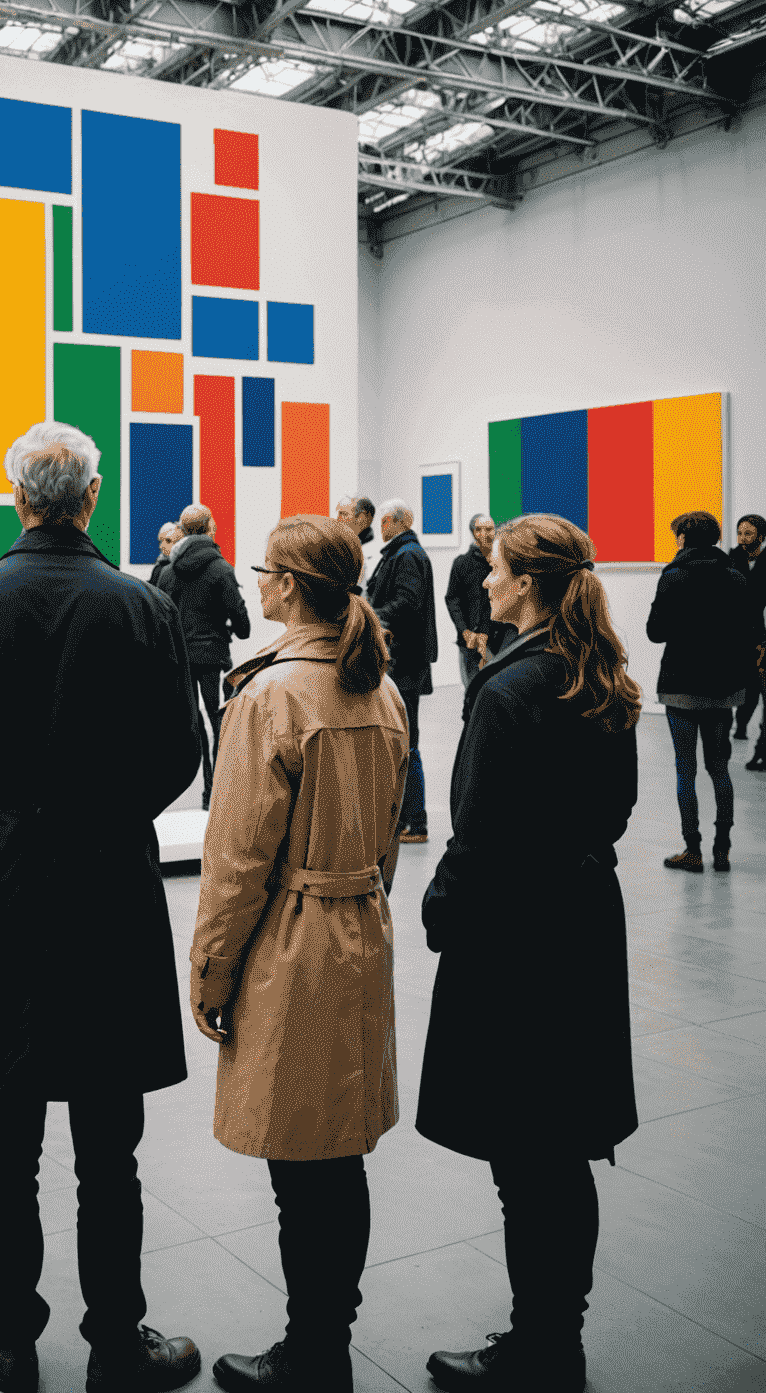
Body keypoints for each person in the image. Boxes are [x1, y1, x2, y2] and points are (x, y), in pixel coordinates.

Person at [0, 421, 204, 1393]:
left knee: (11, 1138)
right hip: (108, 885)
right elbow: (179, 753)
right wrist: (108, 815)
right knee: (109, 1147)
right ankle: (118, 1340)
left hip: (1, 884)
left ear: (18, 500)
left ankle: (9, 1330)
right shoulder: (139, 607)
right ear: (90, 499)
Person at [418, 514, 641, 1393]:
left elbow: (477, 835)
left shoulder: (506, 691)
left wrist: (441, 913)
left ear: (531, 585)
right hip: (582, 921)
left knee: (526, 1157)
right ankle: (558, 1334)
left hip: (514, 937)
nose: (486, 583)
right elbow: (615, 812)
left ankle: (541, 1347)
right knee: (560, 1148)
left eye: (498, 570)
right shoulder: (600, 674)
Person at [190, 516, 408, 1393]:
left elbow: (237, 860)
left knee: (299, 1169)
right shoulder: (377, 686)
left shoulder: (270, 697)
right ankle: (327, 1336)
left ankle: (311, 1353)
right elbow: (391, 833)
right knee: (339, 1156)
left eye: (263, 575)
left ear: (285, 586)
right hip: (362, 924)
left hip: (293, 942)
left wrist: (211, 971)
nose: (257, 586)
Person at [646, 510, 760, 873]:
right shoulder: (735, 576)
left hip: (681, 686)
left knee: (685, 771)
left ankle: (692, 850)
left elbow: (655, 631)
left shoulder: (674, 575)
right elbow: (749, 630)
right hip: (722, 688)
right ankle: (722, 850)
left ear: (684, 538)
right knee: (719, 769)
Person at [159, 504, 251, 809]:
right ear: (210, 527)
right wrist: (241, 628)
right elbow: (237, 612)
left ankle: (197, 790)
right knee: (219, 722)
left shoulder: (168, 572)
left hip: (181, 658)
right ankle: (215, 793)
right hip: (211, 656)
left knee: (190, 722)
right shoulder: (220, 568)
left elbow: (162, 615)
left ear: (183, 531)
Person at [367, 500, 437, 843]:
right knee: (403, 740)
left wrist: (371, 616)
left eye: (384, 521)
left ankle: (415, 821)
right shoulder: (403, 553)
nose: (380, 527)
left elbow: (406, 603)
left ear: (394, 522)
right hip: (403, 662)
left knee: (407, 743)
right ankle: (405, 819)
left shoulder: (406, 555)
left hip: (404, 663)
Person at [444, 514, 511, 687]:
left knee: (498, 688)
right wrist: (464, 631)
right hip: (469, 640)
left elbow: (501, 599)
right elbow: (452, 599)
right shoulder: (461, 563)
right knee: (471, 691)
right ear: (473, 533)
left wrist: (485, 632)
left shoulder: (502, 563)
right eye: (479, 529)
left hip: (498, 638)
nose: (485, 534)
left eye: (489, 529)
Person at [728, 514, 766, 769]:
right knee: (742, 681)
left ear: (761, 537)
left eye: (748, 534)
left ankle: (744, 727)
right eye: (740, 533)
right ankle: (740, 723)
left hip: (758, 634)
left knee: (755, 683)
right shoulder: (731, 559)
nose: (742, 538)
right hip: (734, 631)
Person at [337, 496, 379, 584]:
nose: (338, 519)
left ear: (361, 518)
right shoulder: (343, 548)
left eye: (343, 514)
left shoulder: (374, 555)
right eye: (339, 514)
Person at [148, 522, 182, 590]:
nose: (161, 546)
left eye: (168, 541)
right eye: (160, 541)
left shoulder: (184, 569)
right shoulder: (158, 569)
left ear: (180, 542)